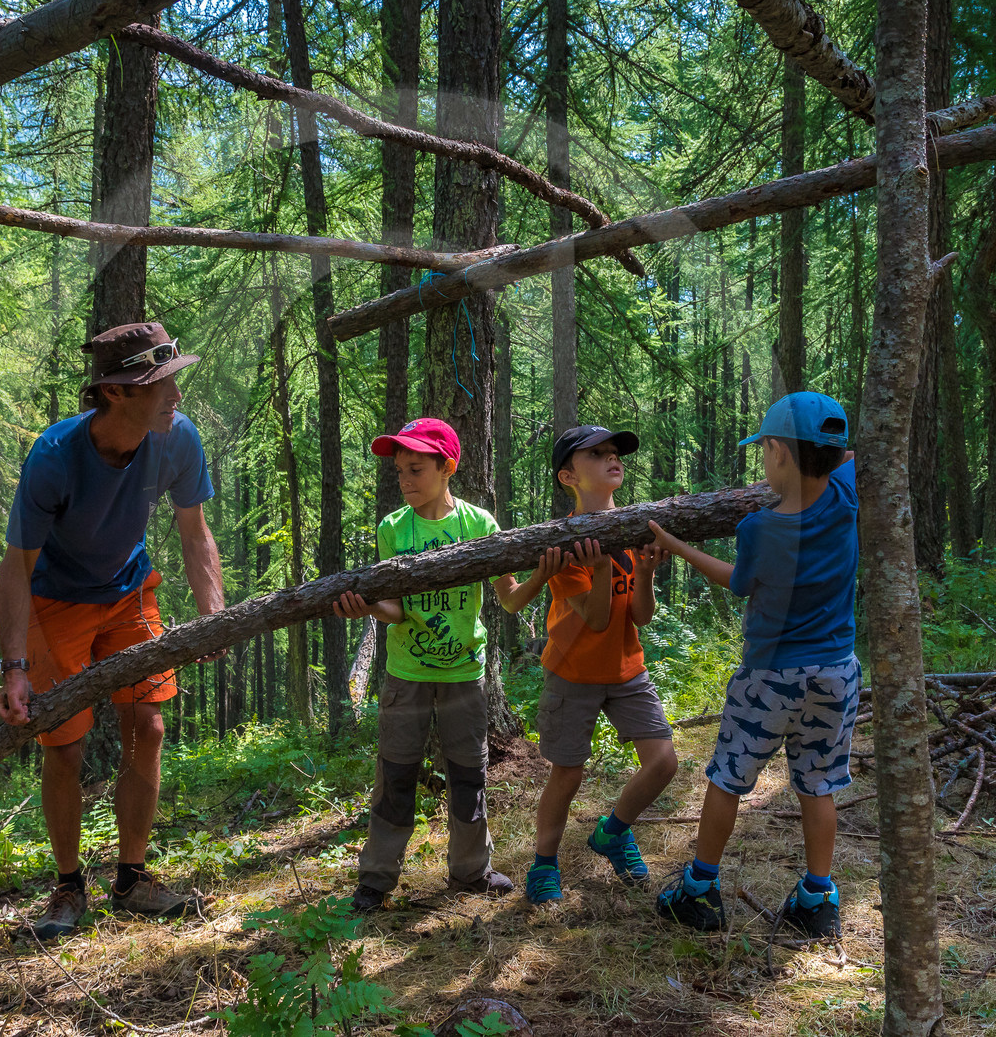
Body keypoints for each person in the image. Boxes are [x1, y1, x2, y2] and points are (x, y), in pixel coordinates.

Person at [0, 322, 226, 939]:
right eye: (159, 383)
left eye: (174, 376)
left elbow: (195, 532)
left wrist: (214, 618)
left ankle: (133, 878)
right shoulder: (54, 456)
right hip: (54, 603)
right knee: (63, 745)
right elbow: (16, 568)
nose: (175, 393)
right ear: (116, 393)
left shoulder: (177, 439)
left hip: (128, 592)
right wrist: (12, 667)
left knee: (147, 724)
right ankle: (69, 887)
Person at [332, 418, 568, 912]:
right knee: (395, 775)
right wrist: (369, 605)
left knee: (468, 775)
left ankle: (470, 872)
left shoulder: (478, 525)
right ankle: (375, 881)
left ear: (447, 467)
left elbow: (508, 601)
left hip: (465, 674)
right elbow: (395, 609)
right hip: (406, 674)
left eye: (416, 469)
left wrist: (541, 576)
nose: (405, 480)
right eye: (400, 471)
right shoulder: (394, 529)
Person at [648, 392, 859, 937]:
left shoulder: (760, 529)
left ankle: (699, 889)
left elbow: (738, 583)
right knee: (818, 784)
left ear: (782, 453)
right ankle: (817, 897)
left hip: (769, 677)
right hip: (836, 672)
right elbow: (855, 459)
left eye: (765, 447)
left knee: (728, 779)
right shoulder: (845, 497)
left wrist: (675, 544)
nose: (763, 459)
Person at [515, 426, 678, 905]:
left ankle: (613, 832)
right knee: (568, 773)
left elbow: (640, 617)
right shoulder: (567, 544)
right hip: (573, 673)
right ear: (569, 476)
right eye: (598, 454)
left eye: (615, 453)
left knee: (664, 761)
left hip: (628, 669)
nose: (613, 458)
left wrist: (644, 573)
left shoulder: (633, 527)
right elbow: (598, 618)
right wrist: (604, 567)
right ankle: (544, 863)